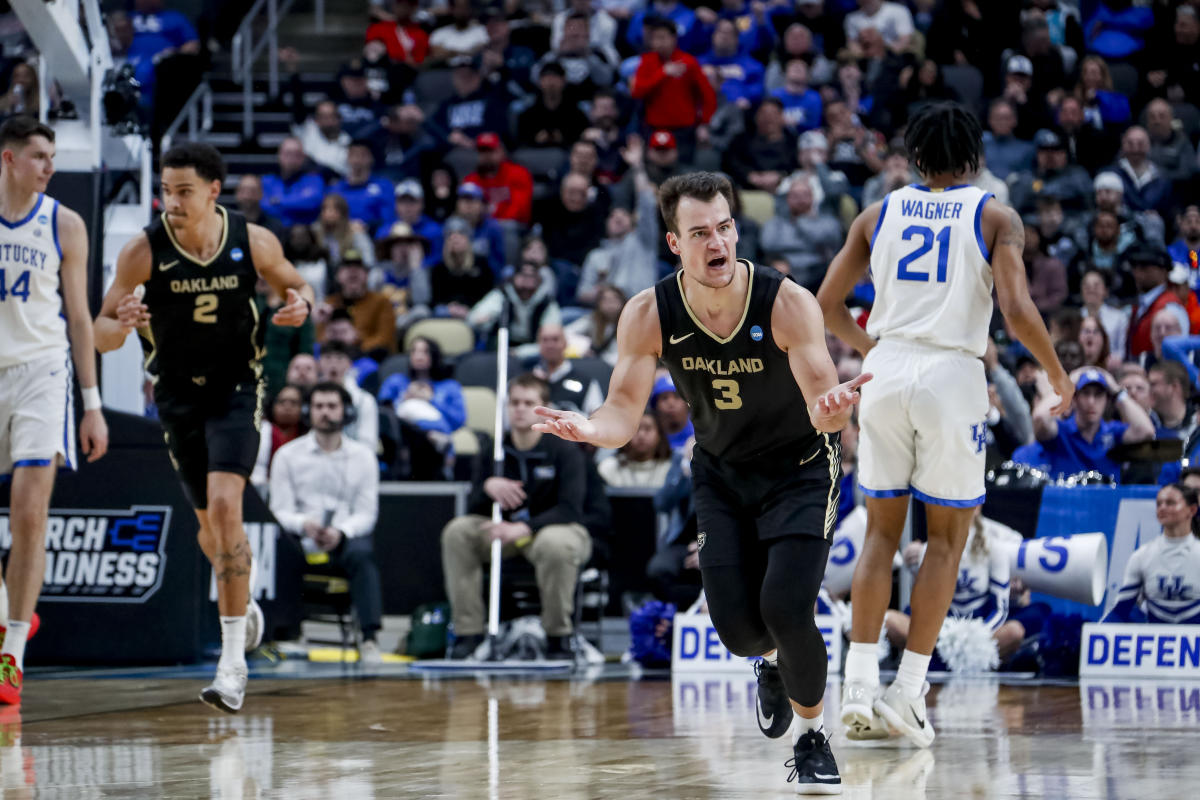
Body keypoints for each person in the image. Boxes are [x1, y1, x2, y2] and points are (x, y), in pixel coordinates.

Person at [534, 172, 868, 793]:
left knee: (787, 608)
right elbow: (622, 413)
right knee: (740, 631)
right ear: (674, 244)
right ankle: (770, 666)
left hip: (800, 466)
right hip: (720, 472)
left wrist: (833, 410)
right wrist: (588, 428)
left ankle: (812, 738)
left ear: (735, 229)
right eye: (700, 233)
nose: (716, 243)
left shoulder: (785, 301)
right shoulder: (648, 313)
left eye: (724, 227)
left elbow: (830, 401)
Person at [816, 102, 1073, 748]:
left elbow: (825, 304)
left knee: (879, 533)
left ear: (912, 154)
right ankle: (906, 694)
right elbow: (1015, 310)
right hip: (951, 374)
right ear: (975, 156)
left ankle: (855, 687)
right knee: (947, 540)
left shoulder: (878, 215)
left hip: (886, 371)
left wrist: (871, 347)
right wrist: (1057, 374)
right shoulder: (994, 215)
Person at [95, 142, 315, 713]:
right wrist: (118, 324)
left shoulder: (253, 240)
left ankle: (232, 664)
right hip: (175, 397)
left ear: (214, 191)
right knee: (210, 535)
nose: (172, 201)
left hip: (237, 390)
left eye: (183, 190)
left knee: (225, 507)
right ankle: (246, 614)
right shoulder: (143, 251)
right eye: (166, 190)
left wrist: (300, 306)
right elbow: (98, 332)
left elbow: (299, 285)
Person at [0, 116, 109, 705]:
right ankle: (8, 614)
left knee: (29, 515)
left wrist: (92, 405)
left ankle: (11, 656)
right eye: (40, 156)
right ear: (9, 160)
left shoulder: (63, 223)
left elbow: (80, 316)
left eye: (53, 155)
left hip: (41, 371)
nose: (50, 166)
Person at [441, 374, 592, 661]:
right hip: (505, 531)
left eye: (529, 403)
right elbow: (474, 504)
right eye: (514, 402)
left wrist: (524, 527)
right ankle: (468, 633)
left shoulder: (564, 449)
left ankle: (558, 636)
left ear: (545, 406)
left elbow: (571, 508)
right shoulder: (494, 450)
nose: (520, 409)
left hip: (554, 530)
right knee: (457, 532)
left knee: (555, 544)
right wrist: (487, 487)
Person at [269, 382, 384, 663]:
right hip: (300, 538)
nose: (325, 413)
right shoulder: (287, 455)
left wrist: (341, 532)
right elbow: (279, 510)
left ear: (346, 411)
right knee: (279, 546)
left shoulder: (364, 457)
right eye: (319, 406)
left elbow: (367, 514)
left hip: (342, 542)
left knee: (362, 553)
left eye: (332, 406)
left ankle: (369, 638)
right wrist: (304, 523)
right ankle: (289, 635)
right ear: (309, 411)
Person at [1102, 483, 1200, 624]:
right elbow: (1120, 610)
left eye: (1170, 503)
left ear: (1192, 510)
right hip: (1156, 642)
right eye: (1159, 503)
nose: (1162, 508)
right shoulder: (1141, 556)